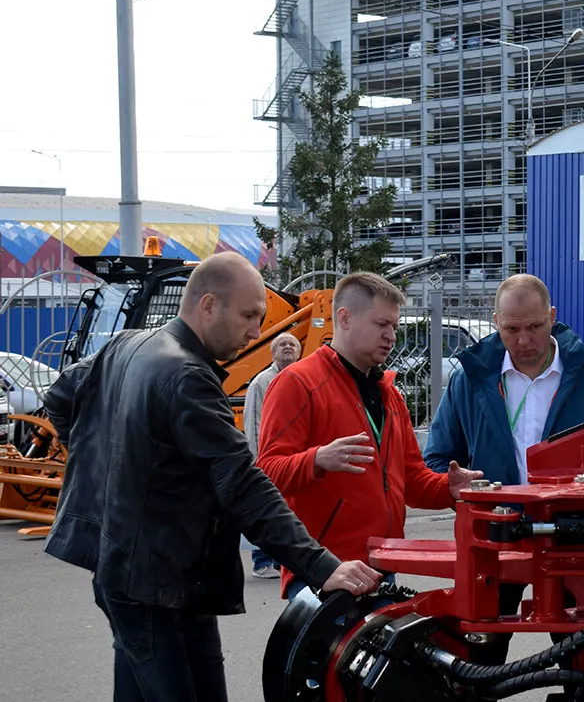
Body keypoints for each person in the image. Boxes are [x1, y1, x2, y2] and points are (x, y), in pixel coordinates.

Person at [43, 251, 382, 702]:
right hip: (157, 582)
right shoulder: (187, 376)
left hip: (138, 574)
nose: (256, 332)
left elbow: (60, 397)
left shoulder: (127, 343)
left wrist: (106, 471)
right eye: (248, 316)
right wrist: (324, 566)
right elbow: (242, 484)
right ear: (208, 305)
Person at [422, 273, 584, 663]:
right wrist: (456, 484)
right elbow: (437, 460)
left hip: (576, 542)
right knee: (479, 657)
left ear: (553, 317)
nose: (523, 341)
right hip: (493, 540)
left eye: (534, 327)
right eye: (512, 330)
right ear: (496, 322)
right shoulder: (469, 381)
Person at [257, 271, 482, 600]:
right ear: (344, 318)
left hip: (382, 567)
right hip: (323, 571)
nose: (391, 336)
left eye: (394, 326)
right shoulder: (297, 383)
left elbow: (412, 481)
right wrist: (317, 459)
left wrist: (448, 488)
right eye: (381, 324)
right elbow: (266, 473)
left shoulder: (389, 394)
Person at [242, 332, 302, 579]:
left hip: (292, 455)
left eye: (292, 344)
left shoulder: (301, 377)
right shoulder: (261, 382)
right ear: (273, 352)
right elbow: (254, 421)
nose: (287, 347)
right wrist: (258, 460)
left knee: (286, 510)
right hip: (268, 457)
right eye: (282, 344)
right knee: (267, 508)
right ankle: (262, 562)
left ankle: (282, 561)